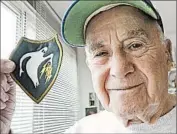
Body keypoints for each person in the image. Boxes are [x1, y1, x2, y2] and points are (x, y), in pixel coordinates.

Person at [0, 0, 176, 133]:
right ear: (90, 66)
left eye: (135, 45)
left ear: (167, 54)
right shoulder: (83, 130)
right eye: (101, 53)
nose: (119, 70)